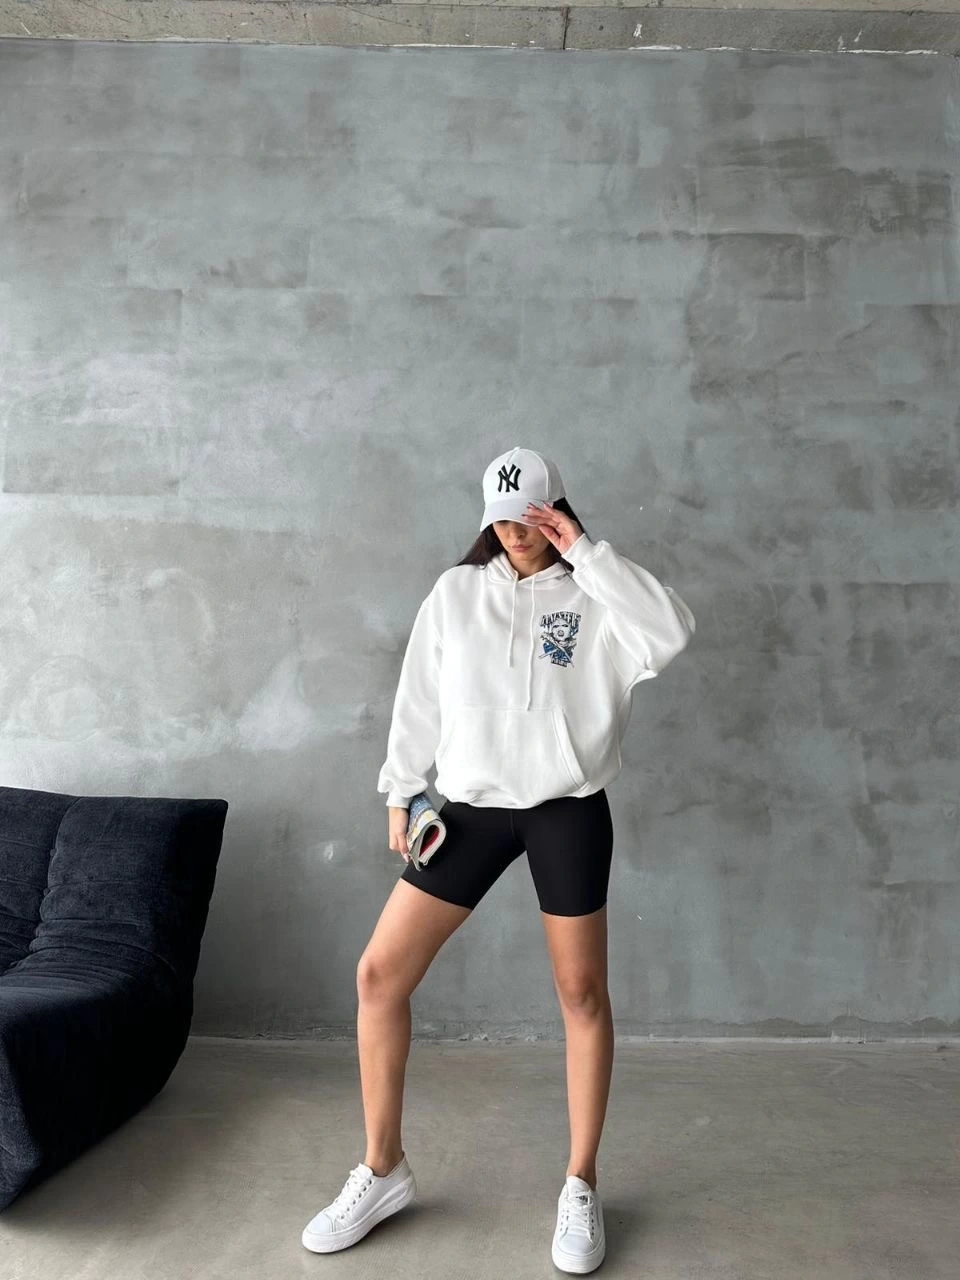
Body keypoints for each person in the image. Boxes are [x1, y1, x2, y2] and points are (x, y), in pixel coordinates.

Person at [302, 446, 695, 1271]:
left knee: (581, 993)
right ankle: (383, 1167)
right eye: (503, 517)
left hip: (566, 810)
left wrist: (588, 554)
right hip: (471, 812)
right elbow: (418, 697)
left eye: (534, 514)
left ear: (559, 511)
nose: (517, 530)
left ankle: (581, 1183)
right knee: (379, 977)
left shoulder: (599, 596)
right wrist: (400, 791)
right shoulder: (456, 594)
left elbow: (672, 633)